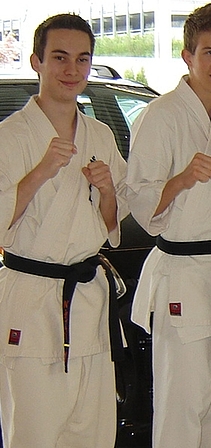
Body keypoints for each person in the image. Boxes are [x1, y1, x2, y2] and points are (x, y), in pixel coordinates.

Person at [126, 3, 211, 447]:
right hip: (184, 275)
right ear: (187, 56)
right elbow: (143, 206)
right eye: (209, 52)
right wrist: (183, 178)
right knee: (182, 401)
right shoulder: (160, 116)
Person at [0, 13, 127, 447]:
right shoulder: (11, 136)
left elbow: (113, 224)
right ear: (36, 62)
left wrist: (108, 190)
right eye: (60, 58)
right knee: (35, 428)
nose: (72, 70)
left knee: (90, 428)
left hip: (87, 295)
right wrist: (39, 173)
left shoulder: (100, 133)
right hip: (31, 297)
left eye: (82, 59)